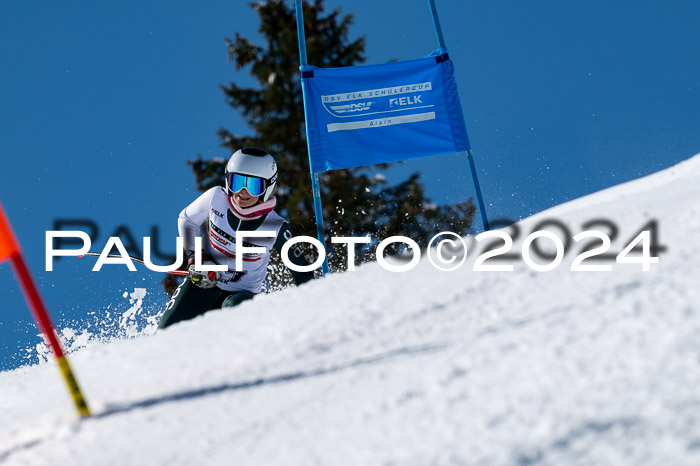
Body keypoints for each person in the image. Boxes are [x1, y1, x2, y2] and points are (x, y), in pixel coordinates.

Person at [158, 147, 314, 329]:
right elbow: (186, 220)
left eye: (253, 186)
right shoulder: (216, 198)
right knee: (165, 332)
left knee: (235, 309)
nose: (243, 192)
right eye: (237, 181)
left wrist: (312, 310)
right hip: (203, 284)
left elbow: (302, 271)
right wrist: (196, 259)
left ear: (268, 187)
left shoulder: (275, 226)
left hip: (240, 295)